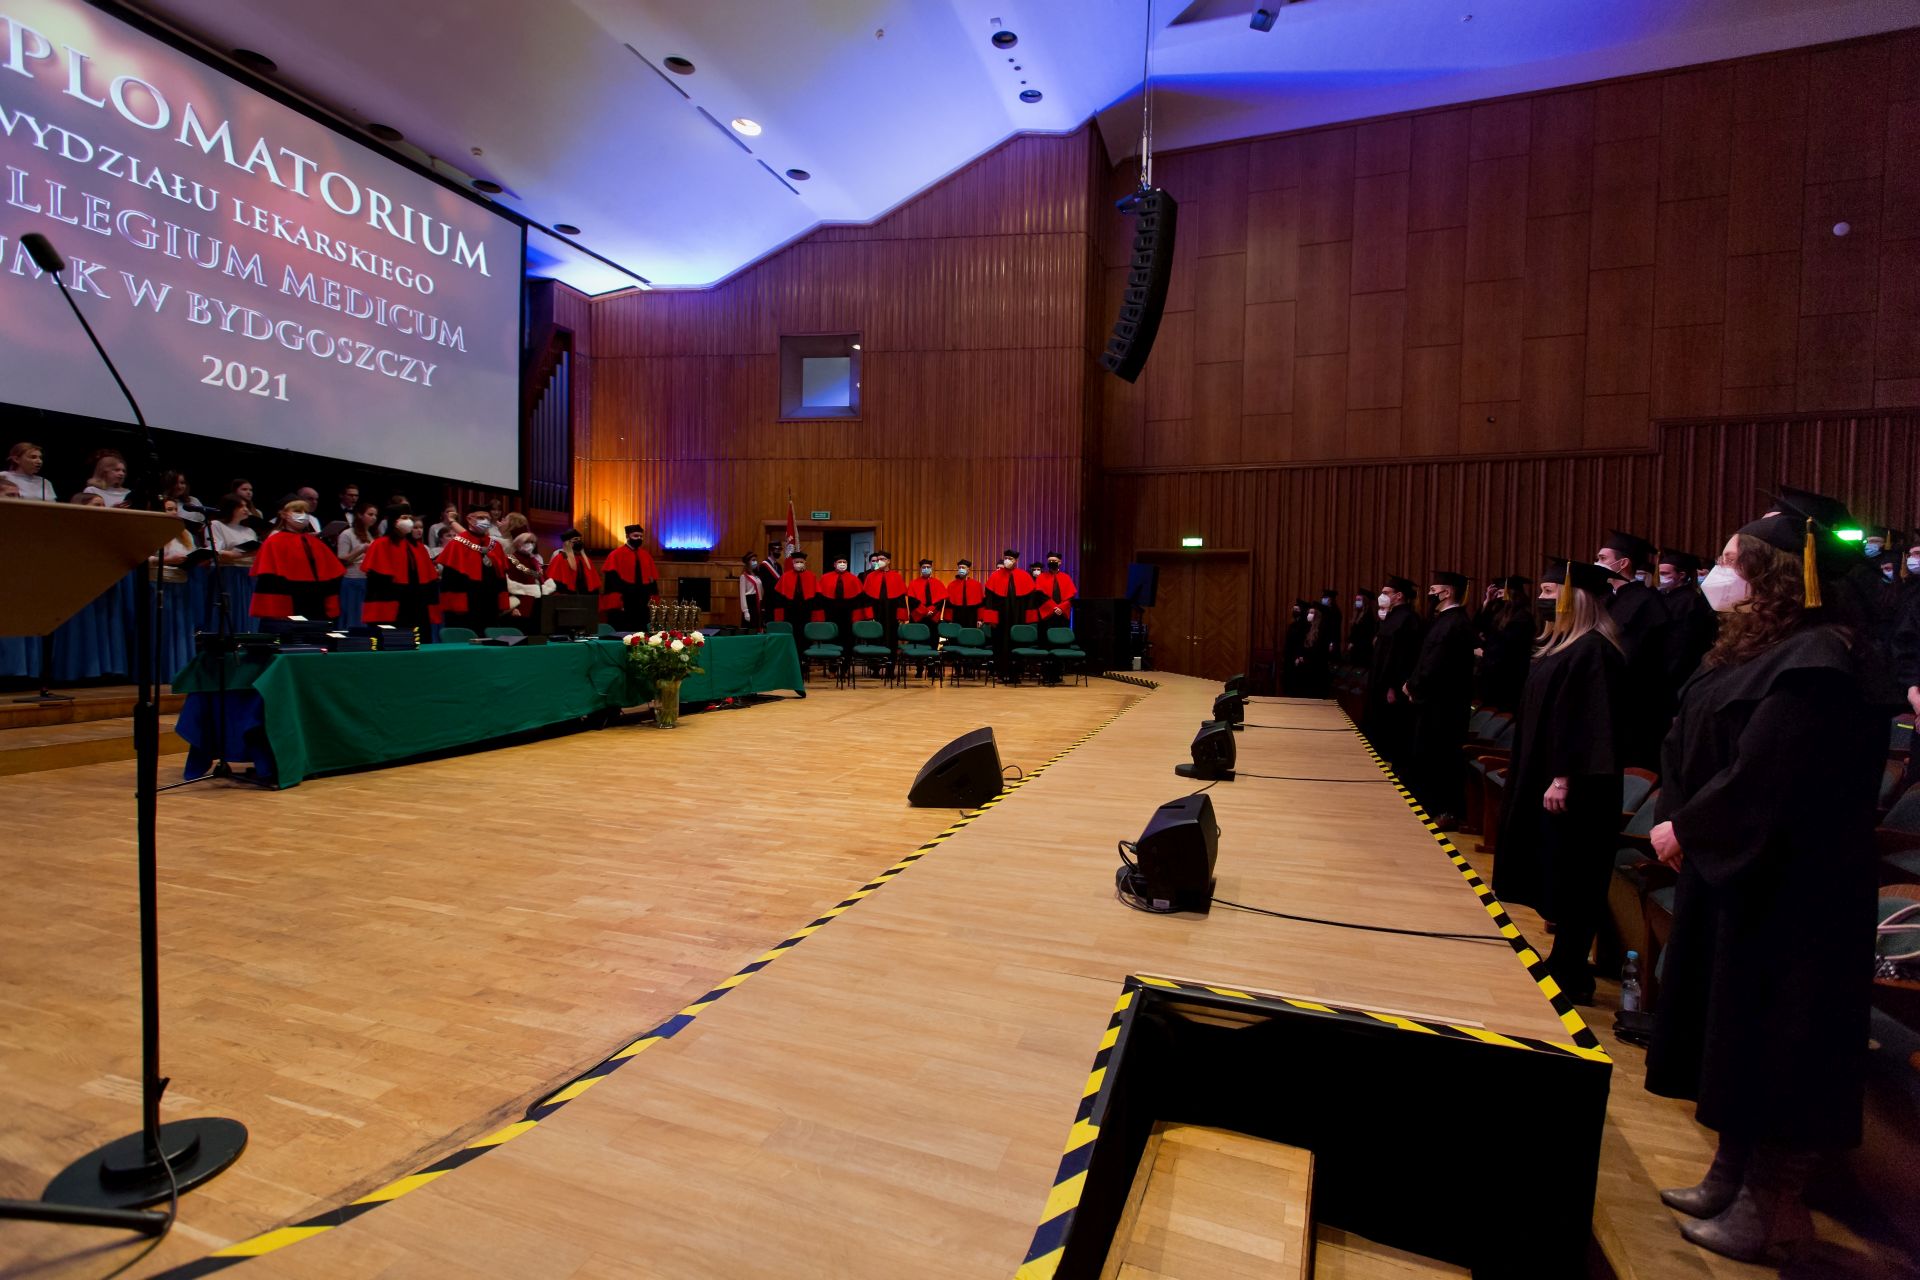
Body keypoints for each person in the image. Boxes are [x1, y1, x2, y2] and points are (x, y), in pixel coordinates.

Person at [1644, 512, 1882, 1264]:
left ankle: (1770, 1204)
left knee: (1778, 1040)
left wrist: (1689, 829)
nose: (1716, 572)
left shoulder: (1818, 662)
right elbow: (1692, 739)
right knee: (1734, 1032)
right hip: (1738, 877)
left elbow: (1769, 772)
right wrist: (1679, 819)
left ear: (1776, 574)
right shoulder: (1758, 650)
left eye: (1729, 558)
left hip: (1793, 894)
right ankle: (1729, 1172)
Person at [1491, 560, 1628, 1002]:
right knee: (1558, 870)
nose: (1543, 599)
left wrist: (1564, 777)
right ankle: (1564, 961)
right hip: (1549, 776)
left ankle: (1572, 972)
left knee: (1576, 873)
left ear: (1577, 598)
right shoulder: (1565, 647)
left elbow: (1591, 722)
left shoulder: (1595, 651)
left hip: (1579, 787)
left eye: (1552, 591)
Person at [1404, 572, 1478, 827]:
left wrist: (1414, 684)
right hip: (1435, 702)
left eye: (1434, 590)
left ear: (1447, 592)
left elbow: (1436, 663)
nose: (1430, 594)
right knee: (1428, 755)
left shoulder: (1454, 622)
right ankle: (1427, 804)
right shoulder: (1445, 620)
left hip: (1445, 705)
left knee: (1442, 757)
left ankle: (1445, 810)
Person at [1596, 530, 1673, 767]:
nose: (1597, 563)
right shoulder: (1609, 598)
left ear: (1623, 563)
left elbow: (1634, 655)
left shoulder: (1646, 602)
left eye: (1603, 558)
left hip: (1635, 703)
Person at [1363, 576, 1424, 773]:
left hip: (1392, 686)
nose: (1382, 596)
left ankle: (1389, 768)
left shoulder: (1408, 619)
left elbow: (1402, 658)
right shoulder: (1391, 617)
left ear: (1399, 596)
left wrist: (1392, 686)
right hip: (1380, 682)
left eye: (1386, 593)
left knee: (1390, 730)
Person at [249, 497, 345, 621]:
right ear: (284, 515)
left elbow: (330, 574)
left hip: (315, 600)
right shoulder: (274, 541)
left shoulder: (314, 542)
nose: (303, 515)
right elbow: (268, 579)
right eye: (298, 511)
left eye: (306, 512)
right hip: (288, 599)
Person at [361, 507, 440, 631]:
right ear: (394, 521)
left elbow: (428, 579)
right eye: (404, 517)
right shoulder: (380, 544)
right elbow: (375, 582)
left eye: (410, 518)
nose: (408, 521)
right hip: (392, 601)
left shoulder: (418, 547)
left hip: (416, 602)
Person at [439, 503, 510, 631]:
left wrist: (502, 602)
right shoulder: (456, 544)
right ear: (469, 519)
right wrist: (457, 605)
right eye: (481, 518)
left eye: (487, 518)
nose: (485, 521)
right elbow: (450, 580)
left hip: (490, 603)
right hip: (467, 604)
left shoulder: (495, 546)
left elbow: (501, 577)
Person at [1658, 548, 1718, 691]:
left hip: (1678, 669)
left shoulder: (1691, 601)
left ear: (1681, 575)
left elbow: (1683, 642)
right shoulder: (1664, 597)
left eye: (1665, 574)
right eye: (1660, 573)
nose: (1660, 578)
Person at [1474, 575, 1535, 711]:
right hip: (1493, 675)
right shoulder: (1499, 614)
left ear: (1512, 594)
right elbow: (1479, 628)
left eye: (1501, 593)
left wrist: (1483, 653)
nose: (1498, 597)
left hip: (1508, 677)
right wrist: (1487, 602)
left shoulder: (1522, 618)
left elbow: (1506, 649)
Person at [982, 551, 1036, 681]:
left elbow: (1030, 600)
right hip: (1000, 619)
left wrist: (1029, 620)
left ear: (1016, 560)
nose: (1007, 560)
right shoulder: (995, 576)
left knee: (1017, 643)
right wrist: (991, 619)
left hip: (1018, 618)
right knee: (1000, 645)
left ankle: (1016, 673)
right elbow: (989, 600)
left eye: (1010, 558)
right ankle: (1001, 673)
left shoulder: (1024, 576)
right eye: (1005, 558)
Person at [602, 524, 661, 631]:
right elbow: (611, 582)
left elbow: (652, 581)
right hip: (625, 599)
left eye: (641, 536)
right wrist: (616, 602)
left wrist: (653, 600)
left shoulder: (646, 555)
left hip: (642, 601)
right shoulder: (616, 555)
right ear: (627, 536)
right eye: (635, 536)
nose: (639, 538)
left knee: (642, 630)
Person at [859, 551, 909, 649]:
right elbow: (866, 598)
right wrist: (869, 615)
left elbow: (901, 599)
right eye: (878, 560)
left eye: (882, 559)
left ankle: (891, 657)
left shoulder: (896, 576)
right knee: (874, 635)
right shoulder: (870, 576)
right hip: (875, 612)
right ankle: (875, 657)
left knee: (891, 636)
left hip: (892, 612)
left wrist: (901, 616)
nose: (879, 561)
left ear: (888, 561)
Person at [814, 554, 864, 642]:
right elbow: (820, 598)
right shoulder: (825, 578)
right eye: (839, 562)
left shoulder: (854, 579)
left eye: (844, 562)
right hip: (830, 611)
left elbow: (858, 600)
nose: (842, 564)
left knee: (847, 633)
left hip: (847, 612)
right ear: (834, 564)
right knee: (830, 631)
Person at [546, 529, 602, 601]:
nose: (578, 541)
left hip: (584, 597)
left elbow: (592, 581)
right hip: (568, 597)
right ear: (568, 542)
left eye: (579, 539)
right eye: (575, 539)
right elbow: (556, 580)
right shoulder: (560, 558)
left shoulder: (585, 559)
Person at [1292, 601, 1333, 698]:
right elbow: (1303, 645)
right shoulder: (1308, 628)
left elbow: (1319, 649)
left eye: (1312, 613)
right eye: (1309, 613)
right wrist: (1300, 656)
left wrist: (1305, 658)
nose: (1309, 615)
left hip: (1316, 666)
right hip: (1307, 664)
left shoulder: (1322, 630)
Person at [504, 532, 547, 622]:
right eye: (527, 542)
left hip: (537, 602)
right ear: (518, 543)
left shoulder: (534, 560)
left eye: (532, 542)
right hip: (519, 604)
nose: (530, 545)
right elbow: (506, 584)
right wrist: (512, 607)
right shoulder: (510, 559)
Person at [209, 496, 260, 565]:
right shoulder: (216, 524)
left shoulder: (249, 530)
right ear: (230, 508)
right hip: (227, 568)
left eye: (246, 506)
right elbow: (217, 552)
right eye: (240, 506)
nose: (246, 509)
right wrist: (247, 554)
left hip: (249, 568)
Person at [1032, 553, 1077, 630]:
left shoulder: (1066, 577)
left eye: (1054, 561)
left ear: (1060, 562)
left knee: (1061, 634)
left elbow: (1071, 596)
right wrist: (1054, 608)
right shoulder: (1041, 577)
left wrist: (1061, 608)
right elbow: (1040, 595)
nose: (1052, 562)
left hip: (1062, 613)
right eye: (1050, 561)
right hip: (1047, 614)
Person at [336, 502, 379, 578]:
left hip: (369, 577)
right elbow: (342, 562)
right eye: (370, 514)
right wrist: (361, 550)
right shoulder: (347, 533)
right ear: (360, 515)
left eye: (375, 515)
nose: (374, 518)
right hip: (353, 577)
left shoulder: (372, 534)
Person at [906, 559, 947, 626]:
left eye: (928, 567)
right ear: (920, 569)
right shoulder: (913, 583)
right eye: (924, 567)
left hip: (933, 617)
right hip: (918, 617)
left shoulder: (938, 583)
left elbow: (940, 602)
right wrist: (925, 611)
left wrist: (931, 611)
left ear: (931, 569)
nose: (926, 569)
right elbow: (912, 601)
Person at [944, 559, 984, 628]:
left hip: (972, 615)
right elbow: (948, 605)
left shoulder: (976, 585)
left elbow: (980, 604)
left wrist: (980, 619)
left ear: (968, 570)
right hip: (956, 615)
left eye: (963, 567)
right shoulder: (951, 585)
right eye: (959, 568)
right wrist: (948, 620)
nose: (961, 569)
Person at [1281, 600, 1310, 694]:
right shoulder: (1293, 625)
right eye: (1294, 609)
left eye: (1297, 609)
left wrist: (1299, 655)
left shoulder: (1305, 625)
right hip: (1290, 656)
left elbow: (1303, 642)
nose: (1294, 611)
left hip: (1298, 657)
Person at [1346, 587, 1378, 668]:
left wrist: (1353, 642)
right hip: (1357, 647)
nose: (1357, 602)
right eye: (1356, 600)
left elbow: (1363, 633)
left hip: (1363, 647)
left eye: (1359, 600)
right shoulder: (1358, 613)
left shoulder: (1368, 615)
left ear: (1365, 601)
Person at [738, 552, 768, 628]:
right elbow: (742, 595)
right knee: (751, 627)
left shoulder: (757, 576)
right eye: (753, 560)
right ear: (748, 562)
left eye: (756, 560)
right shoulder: (744, 576)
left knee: (758, 625)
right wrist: (745, 611)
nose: (755, 562)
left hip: (758, 602)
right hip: (750, 603)